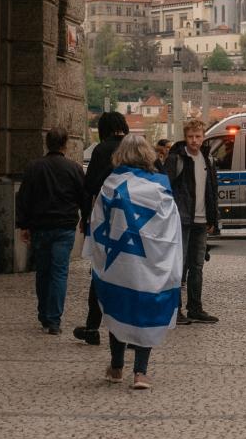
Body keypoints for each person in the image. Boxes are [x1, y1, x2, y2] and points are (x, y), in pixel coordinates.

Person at [86, 133, 183, 389]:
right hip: (149, 262)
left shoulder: (111, 184)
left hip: (118, 262)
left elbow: (97, 224)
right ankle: (140, 372)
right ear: (148, 154)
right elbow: (170, 229)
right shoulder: (160, 187)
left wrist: (97, 254)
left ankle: (116, 367)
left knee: (118, 307)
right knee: (146, 309)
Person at [16, 126, 87, 334]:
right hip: (64, 227)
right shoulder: (74, 168)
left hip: (40, 226)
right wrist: (85, 218)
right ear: (65, 144)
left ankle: (44, 314)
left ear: (47, 144)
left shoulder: (34, 167)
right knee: (59, 272)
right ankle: (54, 320)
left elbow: (24, 197)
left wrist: (24, 225)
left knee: (43, 271)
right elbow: (83, 196)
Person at [75, 111, 128, 345]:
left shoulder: (101, 150)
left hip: (106, 220)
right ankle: (130, 330)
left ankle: (92, 327)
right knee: (130, 274)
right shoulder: (136, 148)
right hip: (133, 221)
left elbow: (90, 187)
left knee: (99, 272)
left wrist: (86, 217)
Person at [165, 119, 220, 325]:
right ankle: (175, 309)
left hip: (201, 219)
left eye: (198, 136)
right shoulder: (176, 159)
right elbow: (166, 187)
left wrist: (213, 218)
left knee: (197, 266)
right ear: (185, 137)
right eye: (190, 137)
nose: (194, 140)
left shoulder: (208, 158)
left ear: (203, 137)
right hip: (182, 219)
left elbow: (212, 189)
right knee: (179, 266)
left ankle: (195, 308)